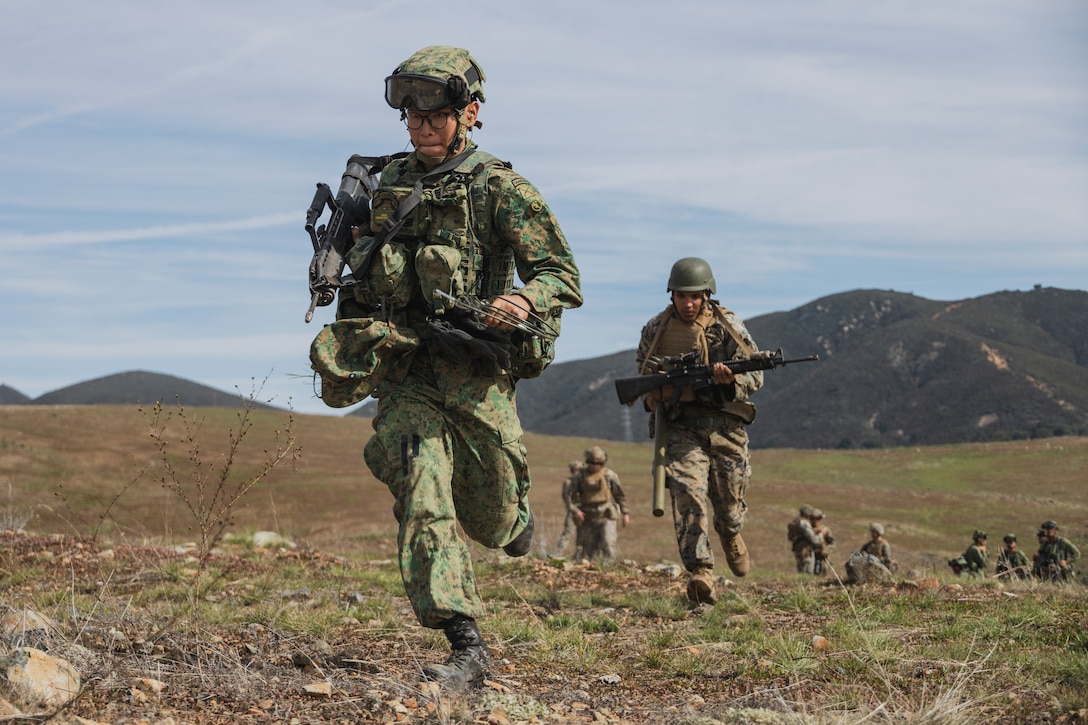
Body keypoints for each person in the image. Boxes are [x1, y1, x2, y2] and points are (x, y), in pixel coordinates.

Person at [331, 46, 582, 690]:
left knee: (493, 518)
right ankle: (465, 643)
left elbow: (561, 274)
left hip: (476, 372)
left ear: (468, 113)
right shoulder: (384, 185)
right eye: (408, 112)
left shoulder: (499, 188)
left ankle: (516, 524)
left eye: (433, 114)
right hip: (408, 368)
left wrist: (523, 298)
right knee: (422, 486)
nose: (418, 125)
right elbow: (355, 277)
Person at [635, 257, 764, 604]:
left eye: (694, 296)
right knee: (688, 496)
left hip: (725, 428)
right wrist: (655, 396)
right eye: (681, 296)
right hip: (682, 428)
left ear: (707, 294)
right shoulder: (655, 330)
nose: (688, 303)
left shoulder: (728, 326)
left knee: (729, 504)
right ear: (671, 295)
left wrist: (730, 381)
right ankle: (701, 572)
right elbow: (642, 374)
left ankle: (731, 533)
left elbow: (756, 373)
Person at [569, 446, 630, 561]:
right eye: (591, 463)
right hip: (588, 517)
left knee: (608, 544)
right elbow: (570, 498)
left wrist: (625, 513)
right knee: (590, 550)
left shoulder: (609, 475)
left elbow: (620, 495)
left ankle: (610, 570)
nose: (594, 465)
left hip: (606, 515)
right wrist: (576, 511)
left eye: (597, 463)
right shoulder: (580, 477)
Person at [787, 505, 832, 575]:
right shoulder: (804, 524)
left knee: (802, 572)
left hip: (800, 551)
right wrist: (821, 534)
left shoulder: (797, 522)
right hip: (806, 552)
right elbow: (814, 539)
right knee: (808, 573)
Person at [554, 460, 584, 558]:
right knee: (567, 533)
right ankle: (558, 554)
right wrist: (576, 511)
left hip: (584, 512)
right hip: (573, 512)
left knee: (582, 535)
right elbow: (567, 500)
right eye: (574, 470)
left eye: (579, 470)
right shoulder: (568, 483)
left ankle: (579, 556)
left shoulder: (585, 482)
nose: (577, 472)